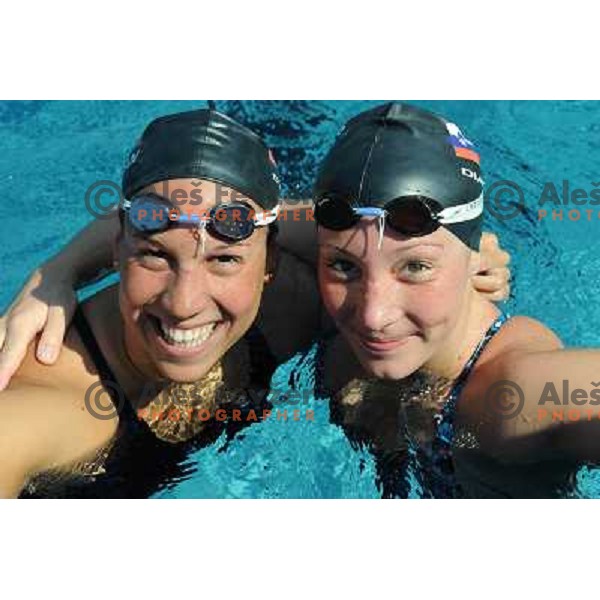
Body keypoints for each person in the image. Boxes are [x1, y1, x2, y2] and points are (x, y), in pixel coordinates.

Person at [0, 105, 510, 499]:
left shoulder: (301, 302)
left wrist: (457, 252)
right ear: (118, 251)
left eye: (224, 261)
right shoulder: (59, 397)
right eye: (155, 256)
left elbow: (347, 236)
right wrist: (57, 269)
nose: (183, 304)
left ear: (269, 263)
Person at [269, 102, 600, 498]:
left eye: (416, 267)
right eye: (344, 266)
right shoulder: (326, 317)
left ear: (477, 254)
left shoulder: (509, 392)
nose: (374, 316)